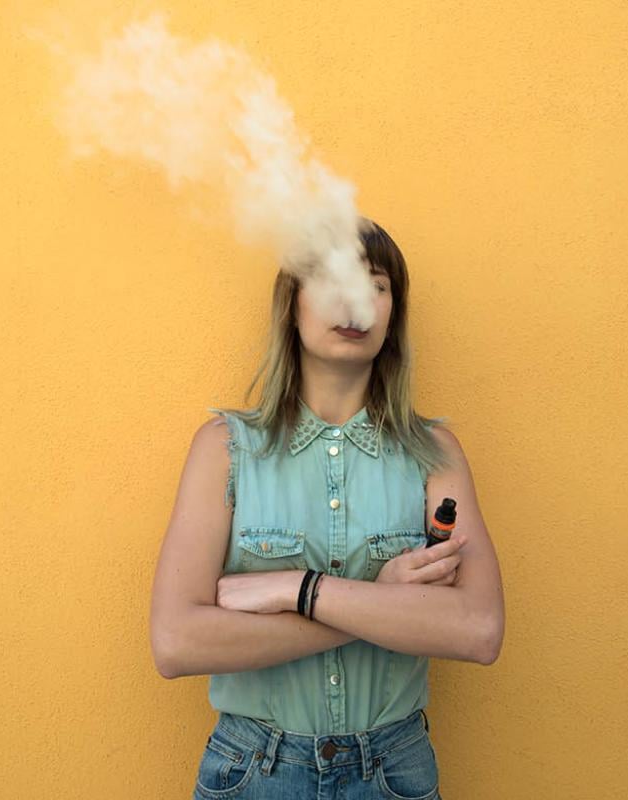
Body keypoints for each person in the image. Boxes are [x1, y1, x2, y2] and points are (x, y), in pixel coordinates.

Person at [150, 218, 505, 799]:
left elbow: (478, 631)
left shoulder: (435, 454)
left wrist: (297, 588)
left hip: (394, 772)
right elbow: (177, 642)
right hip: (253, 773)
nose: (355, 300)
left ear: (393, 315)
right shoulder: (223, 449)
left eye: (377, 283)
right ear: (291, 304)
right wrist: (383, 603)